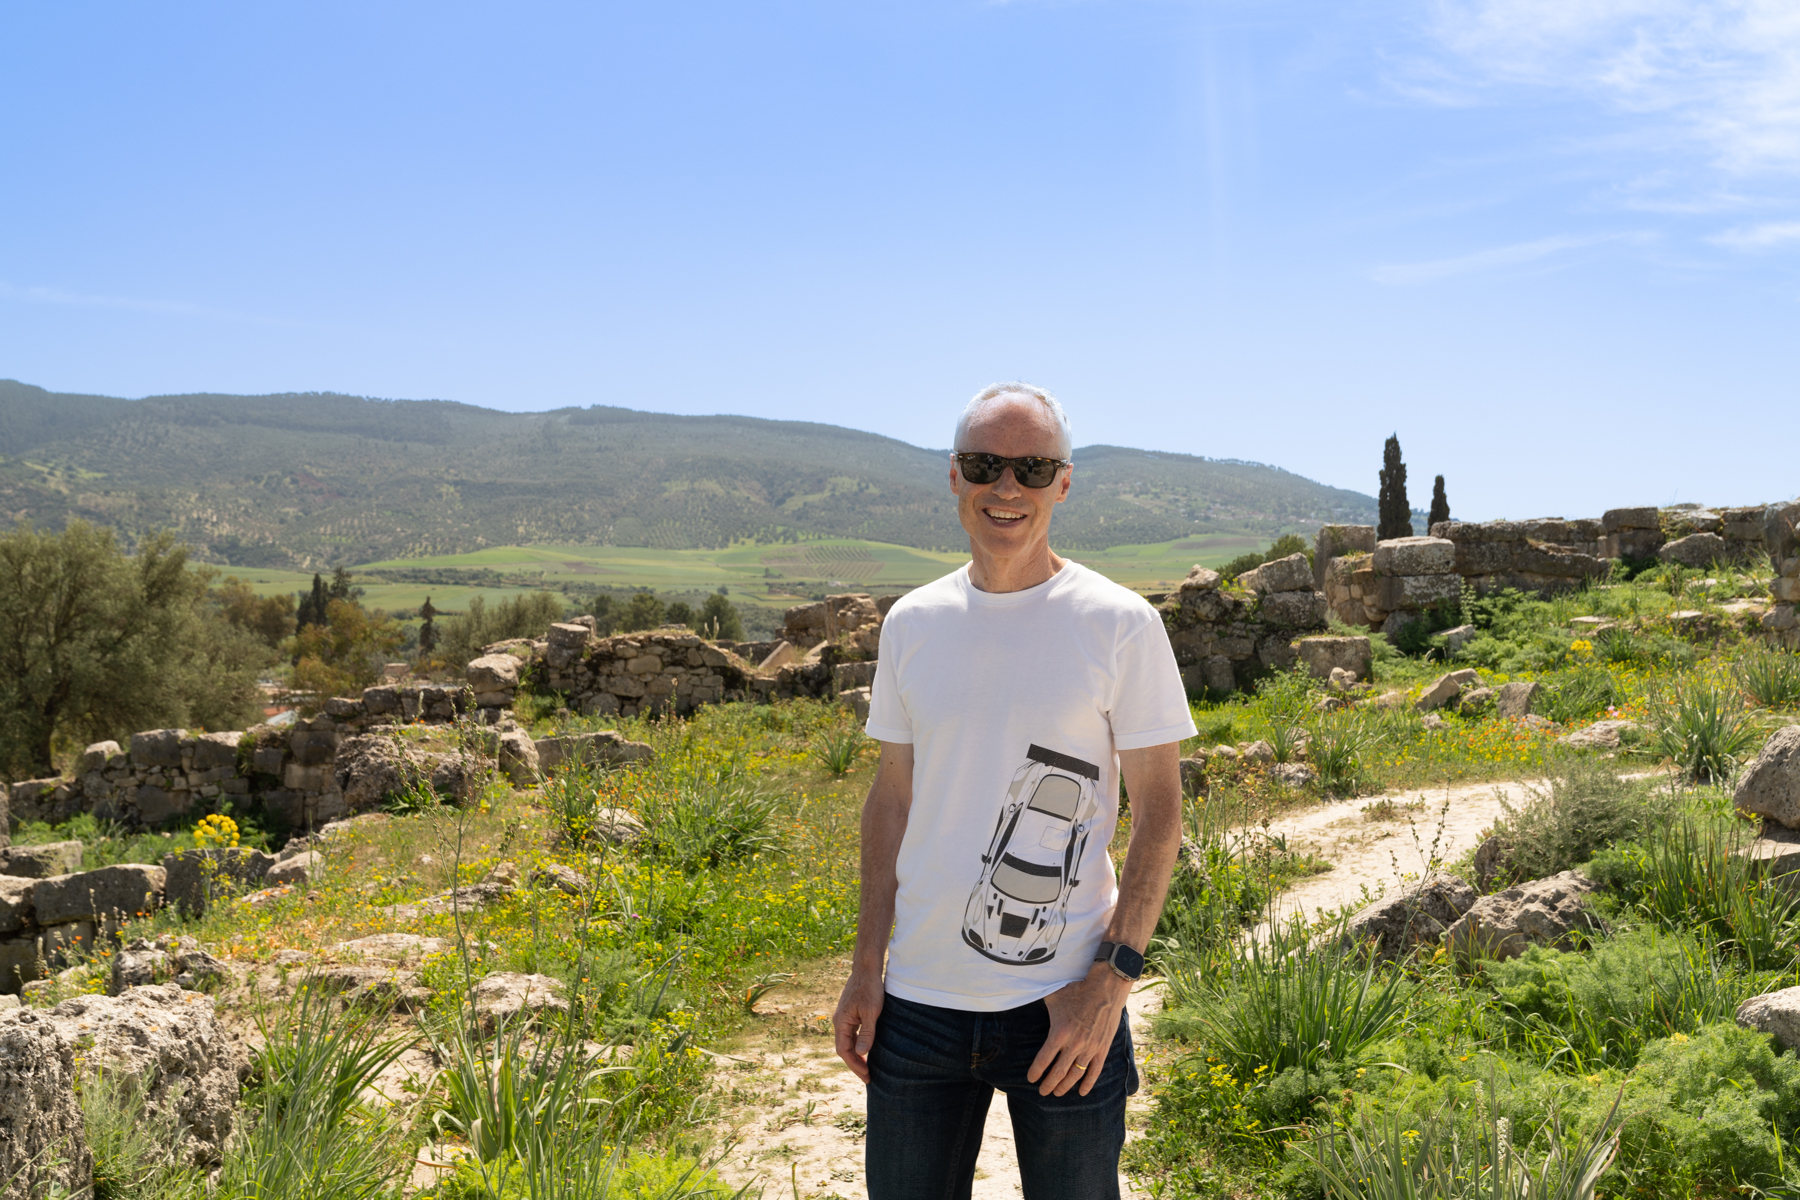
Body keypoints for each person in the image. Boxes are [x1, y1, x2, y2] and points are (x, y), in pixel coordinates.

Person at [832, 382, 1196, 1199]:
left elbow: (1161, 812)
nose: (1008, 488)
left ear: (1063, 484)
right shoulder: (912, 624)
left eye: (1031, 468)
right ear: (953, 477)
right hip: (917, 1007)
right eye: (985, 465)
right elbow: (892, 800)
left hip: (1062, 1005)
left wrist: (1110, 986)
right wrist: (865, 969)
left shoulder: (1120, 623)